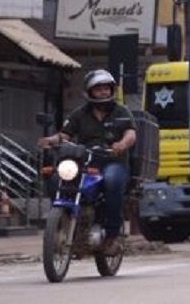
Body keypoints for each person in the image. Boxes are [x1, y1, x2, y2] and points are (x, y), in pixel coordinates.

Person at [38, 69, 137, 253]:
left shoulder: (121, 112)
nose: (103, 92)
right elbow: (65, 135)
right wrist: (50, 141)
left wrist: (122, 144)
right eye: (99, 89)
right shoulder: (79, 114)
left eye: (106, 88)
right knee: (55, 177)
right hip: (86, 164)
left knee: (112, 180)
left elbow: (130, 134)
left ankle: (112, 236)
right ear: (90, 92)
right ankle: (64, 220)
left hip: (113, 162)